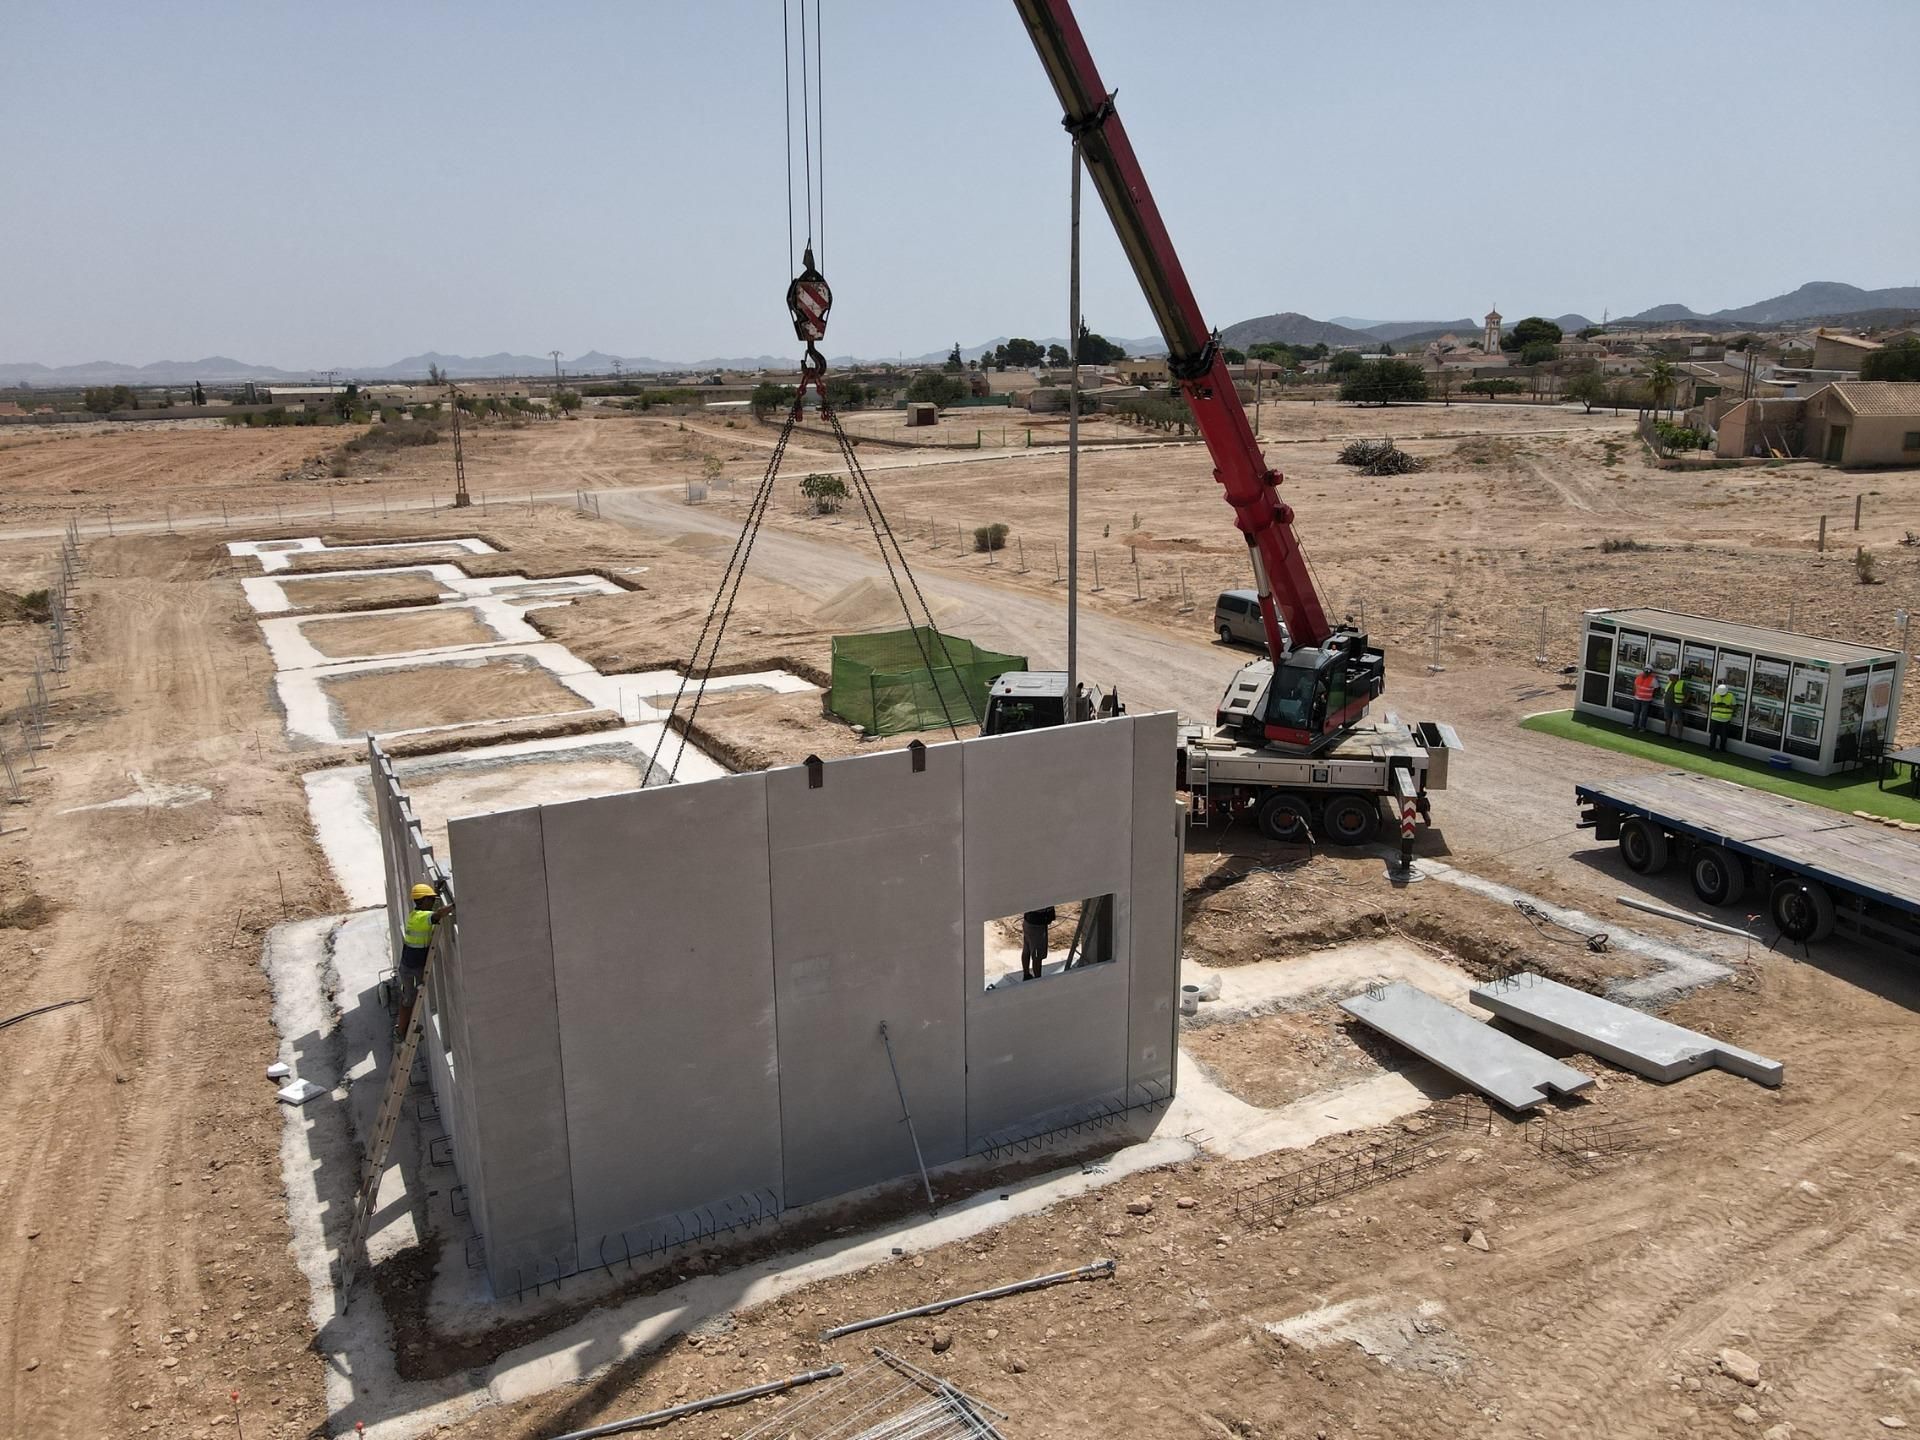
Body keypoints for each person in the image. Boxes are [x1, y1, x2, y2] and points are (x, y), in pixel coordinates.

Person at [393, 881, 454, 1039]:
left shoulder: (416, 914)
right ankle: (402, 1032)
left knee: (409, 997)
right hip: (412, 967)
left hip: (409, 964)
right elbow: (438, 914)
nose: (433, 901)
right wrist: (457, 902)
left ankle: (404, 1029)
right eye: (431, 899)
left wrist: (435, 891)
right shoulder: (422, 917)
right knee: (408, 999)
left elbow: (432, 911)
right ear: (423, 900)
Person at [1020, 905, 1056, 981]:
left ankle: (1026, 975)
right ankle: (1037, 979)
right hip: (1037, 927)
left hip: (1029, 922)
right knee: (1037, 955)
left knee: (1027, 949)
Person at [1708, 680, 1739, 751]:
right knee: (1713, 734)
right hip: (1715, 718)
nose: (1721, 695)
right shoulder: (1716, 694)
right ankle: (1711, 747)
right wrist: (1716, 705)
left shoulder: (1731, 696)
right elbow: (1711, 704)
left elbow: (1735, 707)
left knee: (1724, 735)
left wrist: (1727, 706)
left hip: (1725, 719)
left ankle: (1722, 748)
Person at [1630, 665, 1658, 731]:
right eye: (1646, 671)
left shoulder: (1653, 679)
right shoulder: (1639, 677)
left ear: (1650, 672)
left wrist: (1652, 694)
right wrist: (1635, 692)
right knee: (1636, 713)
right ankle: (1634, 725)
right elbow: (1635, 685)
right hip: (1637, 698)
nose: (1646, 673)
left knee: (1644, 714)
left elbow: (1657, 688)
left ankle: (1642, 727)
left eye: (1648, 672)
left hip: (1646, 700)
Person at [1664, 671, 1689, 737]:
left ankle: (1679, 737)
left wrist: (1683, 703)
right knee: (1668, 719)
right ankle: (1666, 733)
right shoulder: (1670, 682)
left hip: (1677, 705)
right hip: (1668, 704)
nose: (1669, 677)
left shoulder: (1682, 683)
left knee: (1678, 721)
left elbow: (1688, 695)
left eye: (1670, 675)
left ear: (1675, 676)